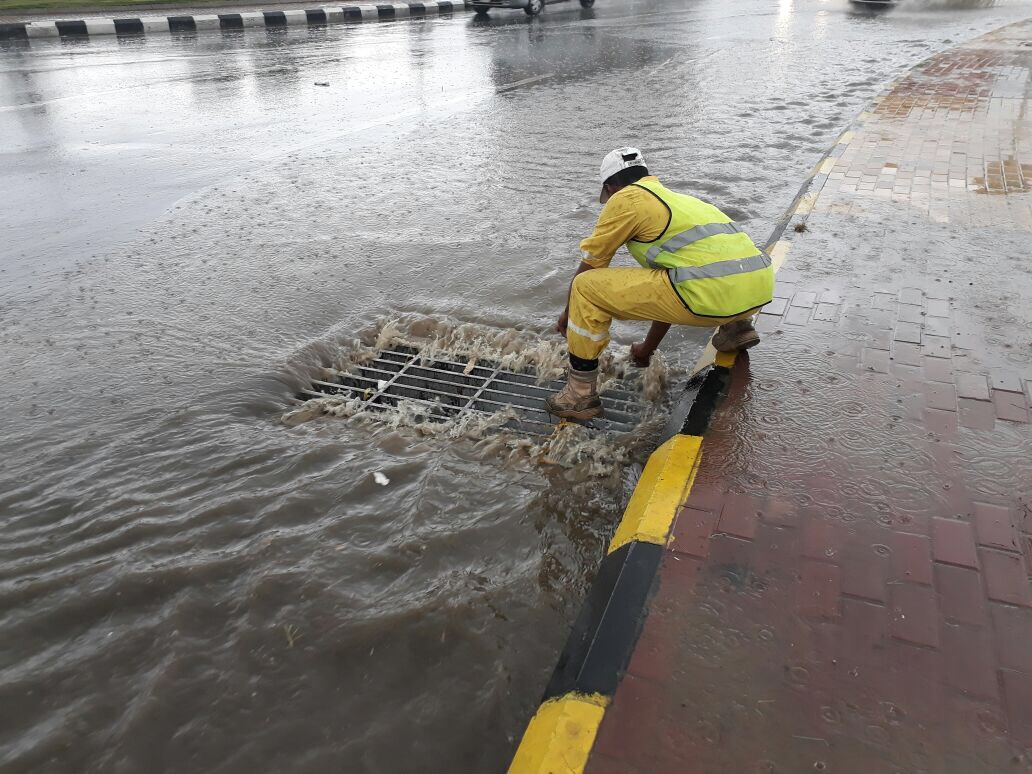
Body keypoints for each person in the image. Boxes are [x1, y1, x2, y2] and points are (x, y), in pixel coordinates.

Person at [545, 147, 774, 421]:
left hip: (708, 296)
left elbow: (593, 262)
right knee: (701, 273)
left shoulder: (627, 198)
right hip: (757, 291)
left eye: (607, 196)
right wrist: (646, 350)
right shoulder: (686, 202)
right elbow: (668, 284)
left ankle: (579, 395)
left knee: (584, 286)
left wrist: (568, 313)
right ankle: (737, 328)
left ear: (610, 187)